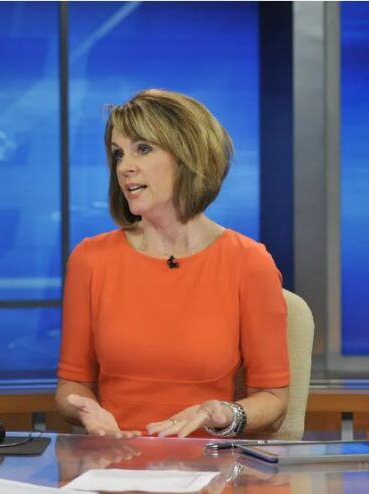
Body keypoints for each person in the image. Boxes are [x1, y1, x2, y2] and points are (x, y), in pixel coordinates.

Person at [55, 89, 290, 439]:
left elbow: (273, 400)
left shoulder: (248, 262)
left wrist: (225, 413)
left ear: (187, 155)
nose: (124, 167)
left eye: (143, 149)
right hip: (116, 468)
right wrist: (88, 413)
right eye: (118, 154)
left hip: (208, 473)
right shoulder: (91, 259)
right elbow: (72, 386)